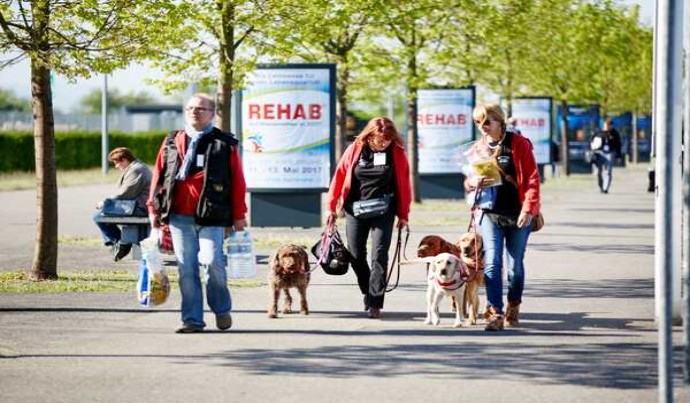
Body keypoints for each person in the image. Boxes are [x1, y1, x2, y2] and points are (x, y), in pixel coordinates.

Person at [147, 93, 247, 334]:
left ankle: (221, 309)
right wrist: (154, 208)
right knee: (187, 269)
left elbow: (238, 180)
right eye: (191, 108)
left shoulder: (225, 143)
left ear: (212, 114)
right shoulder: (172, 140)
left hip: (212, 215)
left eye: (201, 108)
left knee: (213, 262)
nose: (195, 112)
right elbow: (159, 175)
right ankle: (192, 320)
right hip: (179, 217)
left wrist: (239, 214)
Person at [326, 117, 412, 319]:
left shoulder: (397, 153)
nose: (383, 144)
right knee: (355, 254)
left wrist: (404, 214)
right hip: (355, 209)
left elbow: (404, 184)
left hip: (384, 210)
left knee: (380, 255)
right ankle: (367, 289)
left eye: (387, 141)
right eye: (379, 140)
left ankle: (375, 301)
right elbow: (338, 177)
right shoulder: (355, 149)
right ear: (369, 136)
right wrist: (331, 208)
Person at [465, 104, 540, 331]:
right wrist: (472, 183)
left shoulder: (518, 144)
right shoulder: (477, 149)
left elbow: (532, 179)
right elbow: (468, 182)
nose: (483, 127)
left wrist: (528, 209)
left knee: (515, 266)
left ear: (500, 121)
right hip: (489, 213)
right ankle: (494, 311)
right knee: (492, 261)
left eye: (487, 122)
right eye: (478, 123)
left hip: (518, 213)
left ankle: (513, 303)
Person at [93, 147, 152, 261]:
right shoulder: (136, 168)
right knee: (100, 214)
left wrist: (104, 203)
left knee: (98, 216)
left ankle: (121, 242)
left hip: (139, 207)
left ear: (124, 160)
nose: (116, 166)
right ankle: (121, 242)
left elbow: (126, 193)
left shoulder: (136, 170)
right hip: (135, 205)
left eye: (116, 163)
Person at [589, 118, 622, 193]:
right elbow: (592, 141)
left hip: (610, 153)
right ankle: (601, 186)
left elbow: (618, 145)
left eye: (609, 126)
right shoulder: (598, 132)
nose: (607, 127)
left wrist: (619, 156)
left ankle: (605, 188)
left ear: (611, 126)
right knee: (598, 171)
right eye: (606, 125)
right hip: (600, 153)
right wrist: (592, 149)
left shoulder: (615, 134)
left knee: (608, 171)